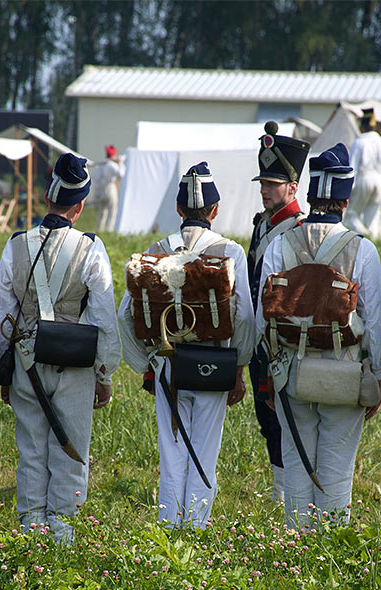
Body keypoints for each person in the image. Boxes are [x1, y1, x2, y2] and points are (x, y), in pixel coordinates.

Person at [257, 143, 381, 530]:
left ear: (311, 195)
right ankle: (329, 547)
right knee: (337, 468)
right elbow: (374, 321)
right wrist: (376, 375)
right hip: (343, 372)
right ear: (345, 201)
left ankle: (297, 548)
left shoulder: (280, 243)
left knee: (297, 463)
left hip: (291, 369)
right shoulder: (362, 249)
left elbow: (265, 313)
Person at [118, 162, 255, 529]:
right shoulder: (231, 251)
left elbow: (124, 315)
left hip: (168, 364)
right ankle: (195, 527)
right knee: (203, 453)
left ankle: (168, 527)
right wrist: (238, 367)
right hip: (214, 364)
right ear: (215, 211)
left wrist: (147, 362)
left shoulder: (157, 249)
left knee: (171, 451)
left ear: (179, 209)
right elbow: (243, 318)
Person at [0, 153, 121, 543]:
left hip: (26, 362)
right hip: (75, 363)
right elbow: (103, 319)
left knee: (32, 449)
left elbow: (5, 317)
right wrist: (104, 373)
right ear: (80, 205)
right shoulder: (91, 250)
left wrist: (5, 368)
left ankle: (30, 534)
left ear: (48, 199)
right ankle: (62, 536)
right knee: (70, 452)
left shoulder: (14, 247)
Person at [246, 121, 310, 503]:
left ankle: (289, 493)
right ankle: (279, 489)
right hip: (259, 338)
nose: (265, 190)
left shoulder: (299, 228)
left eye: (272, 184)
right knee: (267, 421)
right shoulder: (262, 225)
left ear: (292, 186)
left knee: (286, 419)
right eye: (263, 184)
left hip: (284, 338)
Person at [345, 108, 381, 238]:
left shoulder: (359, 142)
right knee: (372, 217)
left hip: (364, 178)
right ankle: (371, 239)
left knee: (351, 214)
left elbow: (352, 167)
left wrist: (349, 188)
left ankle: (364, 235)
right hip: (380, 181)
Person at [92, 145, 124, 233]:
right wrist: (120, 163)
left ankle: (99, 230)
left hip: (101, 188)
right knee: (112, 210)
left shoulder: (101, 165)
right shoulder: (111, 165)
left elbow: (95, 177)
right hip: (110, 187)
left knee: (102, 211)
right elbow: (121, 174)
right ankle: (109, 230)